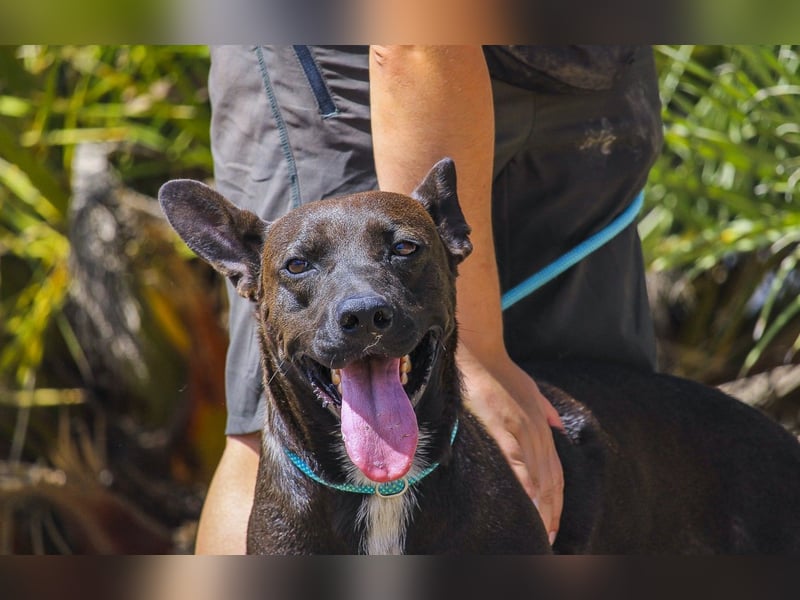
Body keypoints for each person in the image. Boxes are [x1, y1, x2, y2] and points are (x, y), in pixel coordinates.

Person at [197, 45, 662, 554]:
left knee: (604, 407)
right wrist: (480, 354)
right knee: (273, 445)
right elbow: (414, 42)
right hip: (351, 66)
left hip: (581, 63)